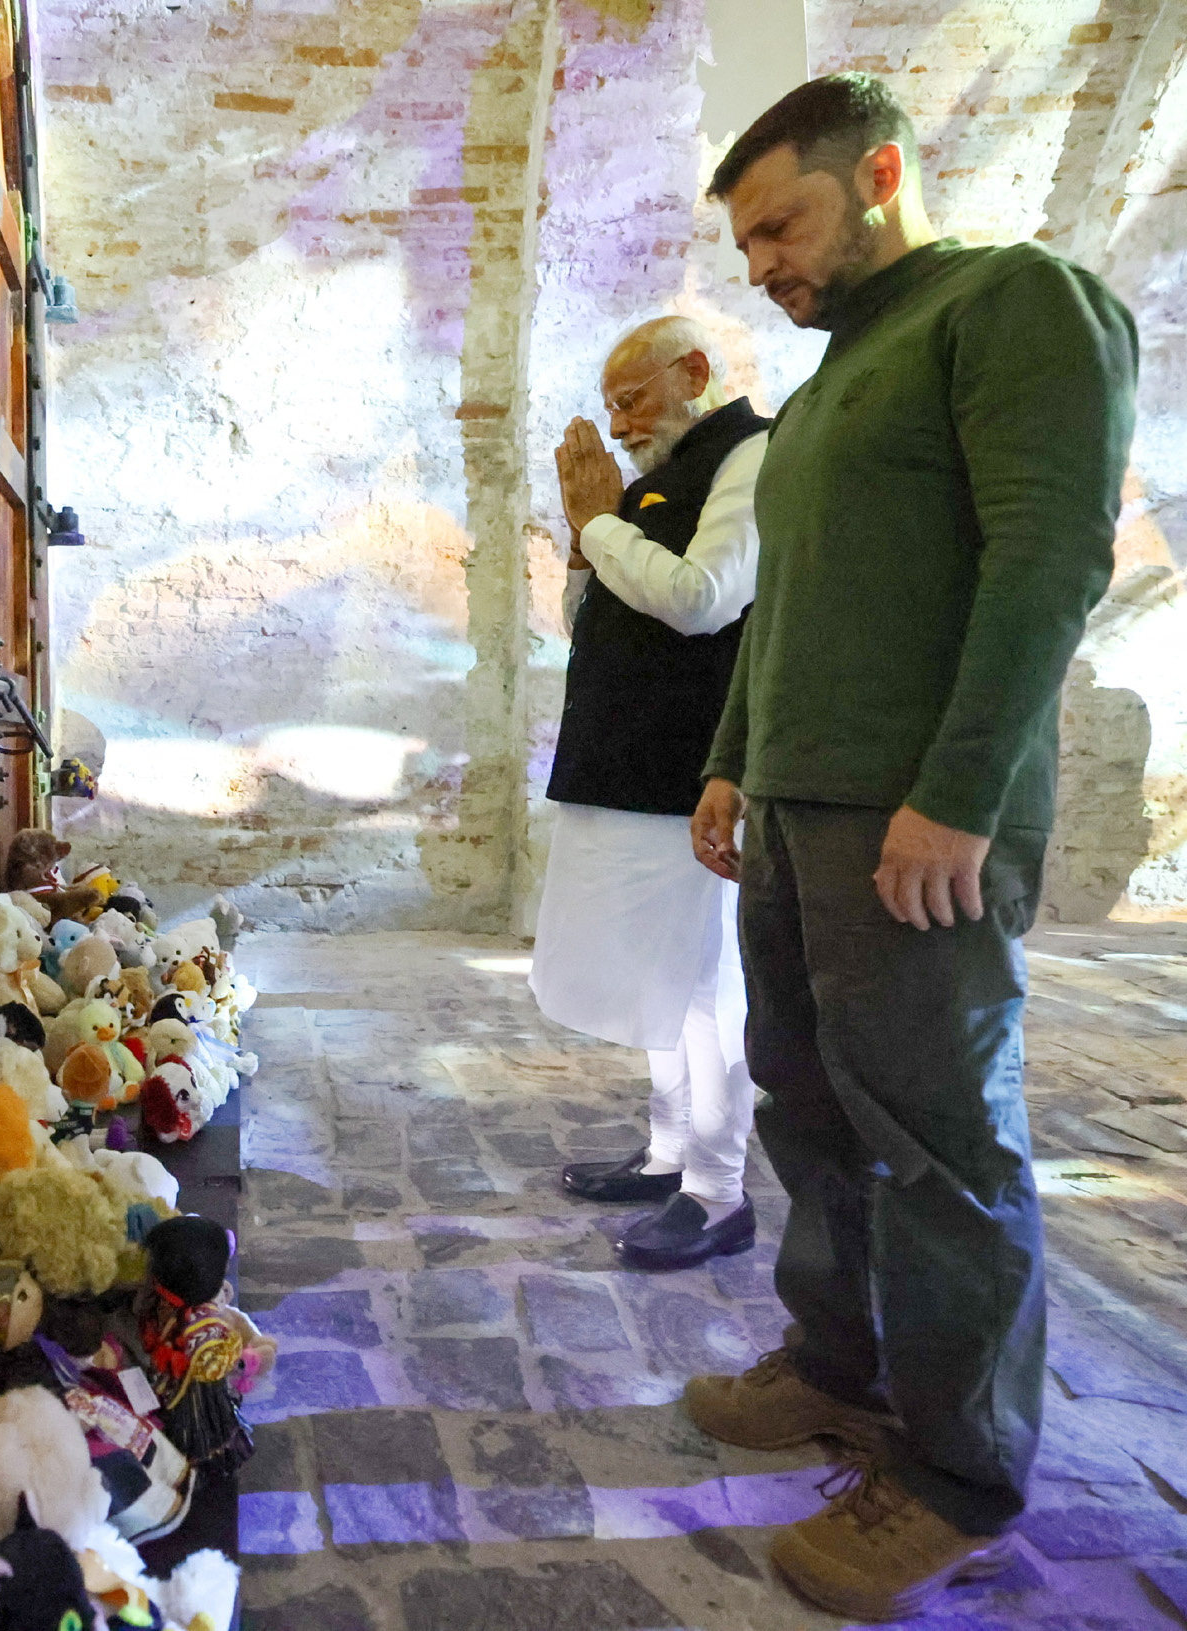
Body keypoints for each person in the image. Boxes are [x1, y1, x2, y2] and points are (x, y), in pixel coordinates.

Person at [683, 74, 1136, 1621]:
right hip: (804, 812)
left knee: (941, 1135)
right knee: (808, 1100)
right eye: (746, 245)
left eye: (781, 226)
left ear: (878, 172)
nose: (764, 266)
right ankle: (837, 1365)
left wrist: (958, 792)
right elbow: (788, 600)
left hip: (920, 822)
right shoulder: (824, 390)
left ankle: (957, 1470)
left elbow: (1051, 555)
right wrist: (734, 759)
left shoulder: (1017, 305)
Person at [532, 317, 768, 1272]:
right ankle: (671, 1149)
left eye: (633, 398)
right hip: (629, 764)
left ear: (696, 374)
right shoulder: (650, 481)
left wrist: (600, 523)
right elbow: (590, 619)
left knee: (710, 984)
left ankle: (718, 1193)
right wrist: (589, 545)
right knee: (656, 974)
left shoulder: (749, 457)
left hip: (695, 770)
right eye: (613, 402)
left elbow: (706, 594)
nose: (620, 422)